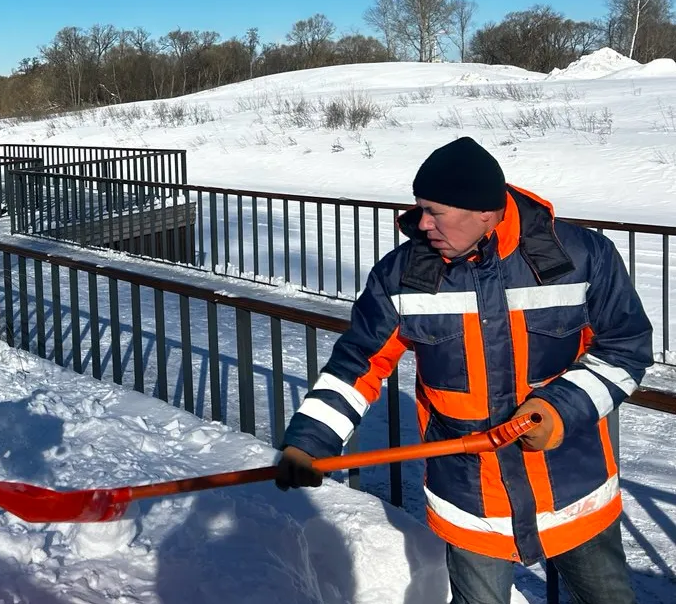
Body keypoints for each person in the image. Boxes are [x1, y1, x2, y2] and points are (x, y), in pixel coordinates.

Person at [275, 137, 651, 603]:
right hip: (470, 501)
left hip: (575, 489)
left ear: (486, 213)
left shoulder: (582, 257)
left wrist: (560, 409)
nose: (421, 224)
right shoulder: (403, 275)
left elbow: (626, 349)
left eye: (436, 211)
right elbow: (357, 366)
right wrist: (309, 441)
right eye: (419, 208)